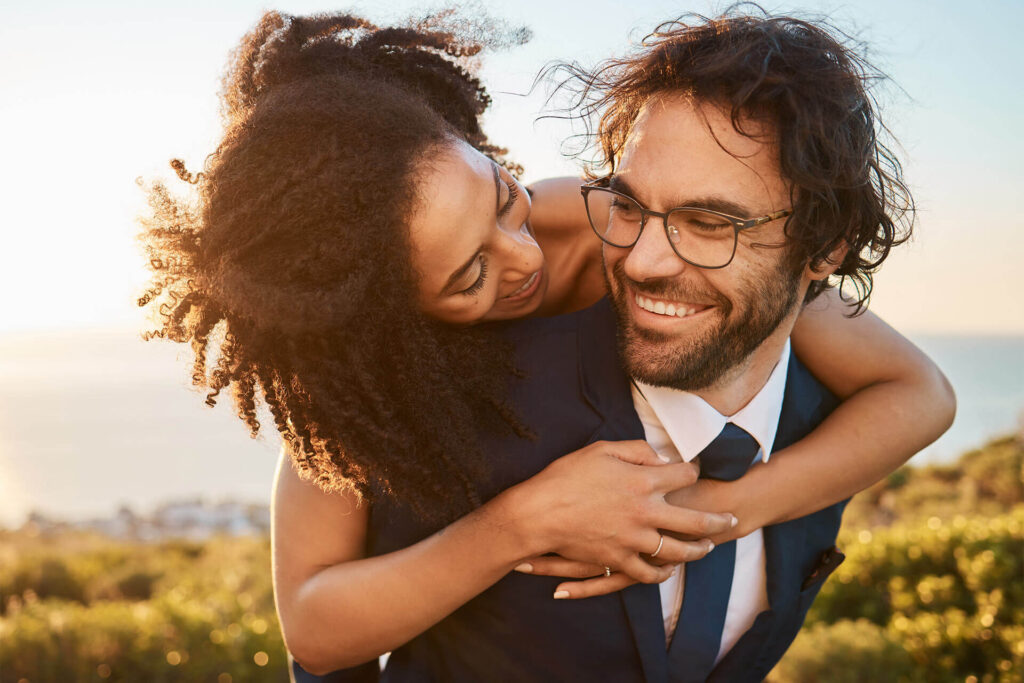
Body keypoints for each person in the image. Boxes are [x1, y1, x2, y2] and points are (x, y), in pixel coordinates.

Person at [136, 9, 954, 681]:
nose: (525, 259)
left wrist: (715, 512)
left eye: (503, 198)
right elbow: (314, 627)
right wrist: (521, 523)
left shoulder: (596, 222)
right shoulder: (369, 381)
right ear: (389, 315)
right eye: (469, 275)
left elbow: (912, 388)